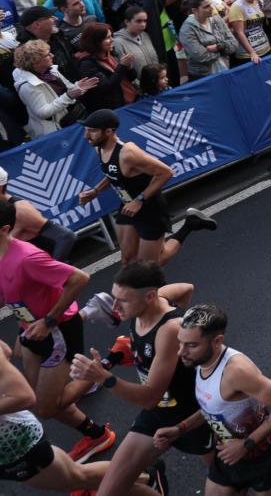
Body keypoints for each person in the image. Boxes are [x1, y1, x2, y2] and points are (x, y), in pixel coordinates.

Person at [65, 264, 212, 495]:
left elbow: (149, 398)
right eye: (114, 298)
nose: (114, 307)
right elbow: (186, 289)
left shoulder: (170, 330)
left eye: (122, 300)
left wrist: (105, 378)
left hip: (193, 414)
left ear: (150, 296)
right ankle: (152, 481)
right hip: (158, 414)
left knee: (228, 478)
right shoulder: (146, 304)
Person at [0, 197, 114, 463]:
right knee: (46, 399)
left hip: (57, 330)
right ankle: (97, 434)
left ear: (5, 229)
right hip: (29, 328)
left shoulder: (27, 257)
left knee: (45, 406)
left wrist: (48, 320)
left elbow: (79, 278)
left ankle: (108, 363)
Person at [159, 304, 271, 495]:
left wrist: (246, 445)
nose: (180, 352)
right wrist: (180, 429)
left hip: (262, 458)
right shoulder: (200, 360)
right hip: (229, 457)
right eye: (180, 343)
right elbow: (214, 407)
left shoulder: (237, 372)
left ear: (217, 341)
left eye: (191, 345)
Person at [0, 341, 160, 495]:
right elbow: (6, 350)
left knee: (50, 407)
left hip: (13, 444)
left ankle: (146, 480)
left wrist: (47, 321)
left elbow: (24, 396)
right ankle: (98, 435)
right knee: (49, 407)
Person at [76, 109, 217, 266]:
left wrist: (139, 200)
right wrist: (95, 191)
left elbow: (166, 173)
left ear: (109, 131)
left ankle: (190, 224)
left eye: (92, 131)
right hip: (128, 205)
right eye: (86, 130)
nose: (86, 136)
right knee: (128, 260)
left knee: (150, 266)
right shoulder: (99, 147)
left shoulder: (128, 153)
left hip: (150, 207)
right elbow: (113, 172)